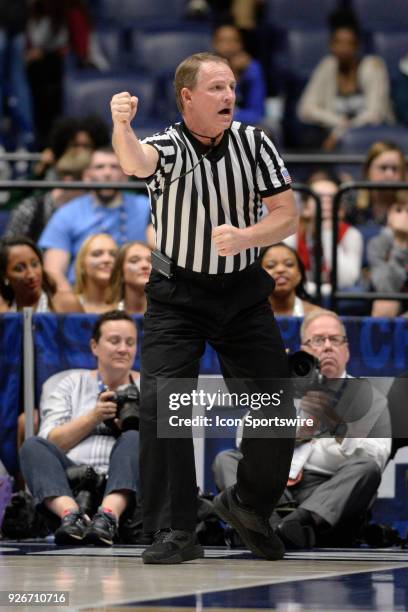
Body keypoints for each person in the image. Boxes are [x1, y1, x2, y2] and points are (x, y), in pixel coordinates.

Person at [111, 51, 298, 564]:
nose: (230, 97)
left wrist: (246, 237)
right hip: (178, 297)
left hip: (242, 292)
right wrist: (121, 124)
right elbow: (133, 163)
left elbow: (287, 215)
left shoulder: (254, 142)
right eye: (217, 88)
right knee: (163, 406)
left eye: (233, 87)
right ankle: (176, 531)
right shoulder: (166, 147)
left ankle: (249, 505)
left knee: (274, 407)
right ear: (187, 97)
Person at [213, 310, 391, 549]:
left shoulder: (369, 397)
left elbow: (376, 456)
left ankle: (293, 524)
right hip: (275, 488)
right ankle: (274, 528)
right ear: (303, 349)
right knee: (226, 459)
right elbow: (243, 441)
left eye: (334, 339)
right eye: (318, 340)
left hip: (326, 491)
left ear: (347, 349)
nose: (327, 347)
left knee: (367, 469)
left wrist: (335, 424)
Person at [19, 310, 140, 546]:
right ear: (94, 346)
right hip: (72, 482)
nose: (123, 349)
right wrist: (94, 417)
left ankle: (108, 517)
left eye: (130, 342)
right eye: (114, 341)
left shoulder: (150, 385)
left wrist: (129, 427)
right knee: (32, 445)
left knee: (135, 438)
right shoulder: (69, 383)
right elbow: (51, 441)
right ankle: (72, 516)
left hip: (125, 486)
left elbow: (166, 454)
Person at [38, 146, 154, 290]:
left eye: (114, 167)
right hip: (81, 297)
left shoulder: (146, 207)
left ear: (125, 175)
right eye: (100, 167)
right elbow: (53, 272)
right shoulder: (67, 213)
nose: (107, 173)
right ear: (87, 176)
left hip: (137, 295)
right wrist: (72, 304)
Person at [297, 10, 394, 151]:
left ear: (357, 46)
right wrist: (338, 122)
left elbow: (374, 115)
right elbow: (305, 109)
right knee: (309, 139)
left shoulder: (373, 66)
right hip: (332, 133)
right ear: (331, 45)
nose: (343, 49)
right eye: (338, 42)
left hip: (370, 135)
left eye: (349, 43)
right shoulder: (327, 65)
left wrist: (339, 133)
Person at [285, 176, 363, 296]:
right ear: (305, 207)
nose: (327, 202)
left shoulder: (351, 234)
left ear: (341, 208)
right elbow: (287, 279)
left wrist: (327, 233)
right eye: (320, 197)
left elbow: (347, 281)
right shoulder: (291, 233)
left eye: (333, 198)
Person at [4, 148, 91, 242]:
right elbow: (9, 250)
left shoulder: (89, 210)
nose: (91, 193)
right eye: (88, 188)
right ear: (68, 181)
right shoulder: (30, 209)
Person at [0, 236, 82, 313]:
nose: (31, 275)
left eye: (35, 264)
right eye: (19, 269)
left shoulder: (66, 304)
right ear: (4, 275)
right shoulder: (3, 311)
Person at [212, 23, 266, 125]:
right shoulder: (204, 70)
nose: (228, 45)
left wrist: (239, 76)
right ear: (214, 44)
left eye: (233, 40)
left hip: (244, 124)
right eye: (223, 40)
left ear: (241, 44)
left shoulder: (252, 68)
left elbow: (257, 112)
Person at [367, 195, 408, 317]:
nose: (405, 216)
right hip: (394, 306)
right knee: (385, 303)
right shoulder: (378, 243)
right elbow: (385, 289)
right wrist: (401, 243)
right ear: (390, 214)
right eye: (399, 210)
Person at [260, 243, 321, 317]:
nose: (280, 270)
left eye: (289, 264)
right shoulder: (248, 319)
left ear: (299, 273)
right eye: (271, 265)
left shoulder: (318, 316)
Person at [73, 233, 118, 314]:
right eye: (97, 254)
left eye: (113, 255)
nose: (107, 259)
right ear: (82, 264)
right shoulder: (68, 306)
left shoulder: (129, 306)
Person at [107, 241, 152, 314]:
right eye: (134, 260)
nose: (145, 265)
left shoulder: (170, 315)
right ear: (120, 272)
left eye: (151, 261)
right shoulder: (106, 316)